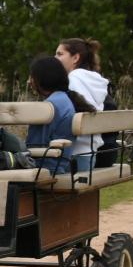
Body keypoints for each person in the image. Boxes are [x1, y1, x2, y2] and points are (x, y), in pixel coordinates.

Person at [26, 56, 97, 174]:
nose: (29, 81)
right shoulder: (64, 99)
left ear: (40, 79)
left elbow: (34, 146)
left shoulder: (48, 107)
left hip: (47, 167)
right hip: (60, 163)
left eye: (31, 76)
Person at [55, 37, 110, 171]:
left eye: (60, 54)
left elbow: (76, 109)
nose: (55, 58)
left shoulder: (74, 79)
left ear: (75, 58)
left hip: (73, 151)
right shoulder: (93, 80)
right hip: (89, 149)